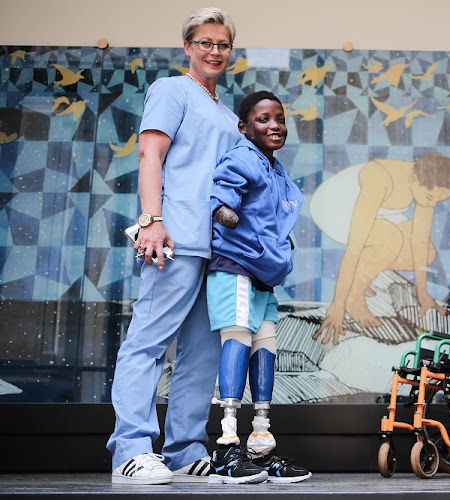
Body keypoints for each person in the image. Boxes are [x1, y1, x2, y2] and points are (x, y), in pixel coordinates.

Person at [106, 8, 259, 485]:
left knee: (202, 355)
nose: (215, 51)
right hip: (174, 239)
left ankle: (183, 449)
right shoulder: (171, 91)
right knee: (148, 343)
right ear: (188, 47)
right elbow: (151, 154)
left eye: (223, 44)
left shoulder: (230, 115)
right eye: (206, 42)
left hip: (217, 250)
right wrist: (152, 220)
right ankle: (131, 449)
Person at [207, 90, 312, 483]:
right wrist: (224, 211)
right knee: (236, 341)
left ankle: (260, 444)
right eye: (264, 119)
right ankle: (226, 447)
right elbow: (222, 193)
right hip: (235, 266)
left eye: (280, 119)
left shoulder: (276, 170)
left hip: (264, 274)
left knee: (264, 348)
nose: (275, 126)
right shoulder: (241, 157)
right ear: (244, 126)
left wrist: (281, 247)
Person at [313, 153, 450, 345]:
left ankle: (361, 275)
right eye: (430, 197)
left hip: (380, 211)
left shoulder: (425, 180)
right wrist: (338, 303)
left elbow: (420, 241)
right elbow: (354, 248)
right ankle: (354, 296)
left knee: (426, 253)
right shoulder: (380, 178)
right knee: (390, 240)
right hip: (336, 209)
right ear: (414, 179)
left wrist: (422, 293)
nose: (431, 204)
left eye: (437, 201)